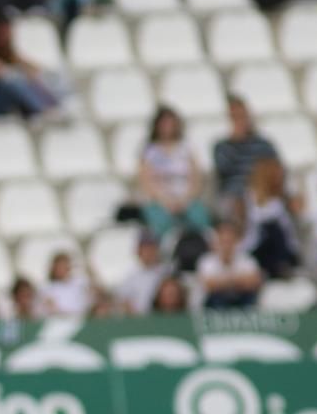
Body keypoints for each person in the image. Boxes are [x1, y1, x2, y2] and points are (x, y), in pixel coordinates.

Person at [0, 13, 62, 134]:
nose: (5, 35)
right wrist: (12, 71)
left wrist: (40, 75)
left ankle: (52, 107)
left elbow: (30, 68)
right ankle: (43, 110)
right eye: (2, 31)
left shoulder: (6, 51)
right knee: (12, 80)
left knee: (37, 79)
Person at [138, 106, 211, 241]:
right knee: (159, 225)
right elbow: (147, 182)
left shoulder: (186, 147)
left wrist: (184, 200)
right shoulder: (150, 151)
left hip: (187, 200)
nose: (167, 127)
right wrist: (166, 201)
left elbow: (196, 178)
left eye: (170, 123)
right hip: (160, 202)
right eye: (164, 123)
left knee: (200, 220)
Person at [212, 96, 278, 218]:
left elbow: (275, 169)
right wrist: (235, 140)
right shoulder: (222, 146)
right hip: (234, 194)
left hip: (260, 193)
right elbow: (223, 169)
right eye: (236, 117)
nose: (241, 120)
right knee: (235, 203)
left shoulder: (263, 144)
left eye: (242, 116)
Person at [242, 156, 300, 279]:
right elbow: (259, 219)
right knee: (271, 227)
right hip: (260, 245)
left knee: (276, 231)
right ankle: (278, 266)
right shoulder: (252, 196)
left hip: (284, 247)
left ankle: (281, 265)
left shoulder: (284, 197)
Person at [197, 220, 262, 309]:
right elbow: (209, 285)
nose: (227, 245)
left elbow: (254, 282)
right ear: (217, 241)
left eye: (230, 240)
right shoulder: (207, 260)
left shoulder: (247, 259)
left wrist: (222, 282)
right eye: (223, 241)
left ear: (236, 241)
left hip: (242, 299)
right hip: (217, 301)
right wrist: (238, 281)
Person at [116, 231, 169, 316]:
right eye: (145, 248)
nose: (149, 252)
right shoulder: (130, 277)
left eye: (152, 248)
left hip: (164, 319)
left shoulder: (167, 272)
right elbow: (123, 302)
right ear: (138, 251)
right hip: (139, 322)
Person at [39, 252, 89, 317]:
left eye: (64, 266)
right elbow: (51, 307)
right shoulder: (46, 287)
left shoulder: (80, 282)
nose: (61, 269)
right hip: (58, 321)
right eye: (59, 266)